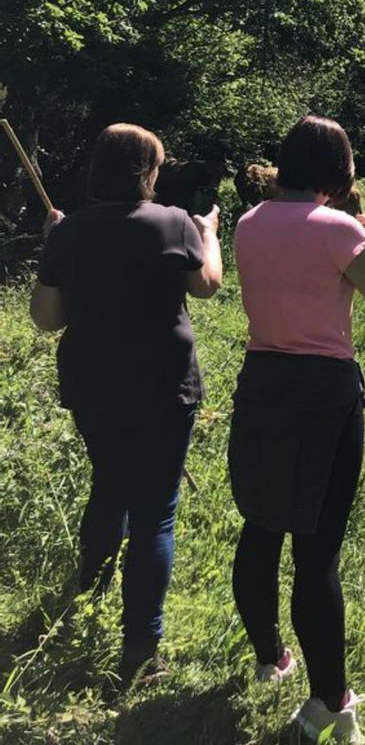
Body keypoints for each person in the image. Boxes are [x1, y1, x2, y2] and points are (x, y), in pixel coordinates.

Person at [28, 123, 222, 686]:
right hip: (165, 386)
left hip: (93, 387)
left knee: (110, 486)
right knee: (155, 512)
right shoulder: (173, 223)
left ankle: (88, 595)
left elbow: (46, 320)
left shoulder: (70, 233)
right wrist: (208, 232)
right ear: (147, 173)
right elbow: (207, 285)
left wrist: (56, 245)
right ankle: (140, 647)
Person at [228, 116, 365, 745]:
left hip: (262, 381)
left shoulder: (248, 224)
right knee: (318, 550)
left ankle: (270, 655)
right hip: (324, 396)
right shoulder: (339, 229)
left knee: (262, 524)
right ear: (339, 169)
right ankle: (332, 700)